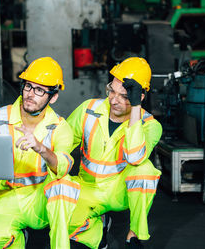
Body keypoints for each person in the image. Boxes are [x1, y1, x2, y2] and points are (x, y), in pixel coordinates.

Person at [0, 57, 80, 248]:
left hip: (40, 200)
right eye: (28, 86)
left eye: (40, 90)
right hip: (4, 197)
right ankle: (16, 238)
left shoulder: (60, 127)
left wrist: (40, 147)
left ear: (53, 97)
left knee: (65, 184)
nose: (30, 94)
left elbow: (63, 167)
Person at [66, 57, 162, 249]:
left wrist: (135, 108)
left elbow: (135, 157)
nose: (114, 100)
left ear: (139, 97)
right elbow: (61, 143)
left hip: (120, 191)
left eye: (124, 96)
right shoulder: (89, 110)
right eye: (112, 91)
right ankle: (98, 233)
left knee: (145, 170)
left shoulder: (151, 125)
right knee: (65, 225)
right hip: (88, 187)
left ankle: (133, 235)